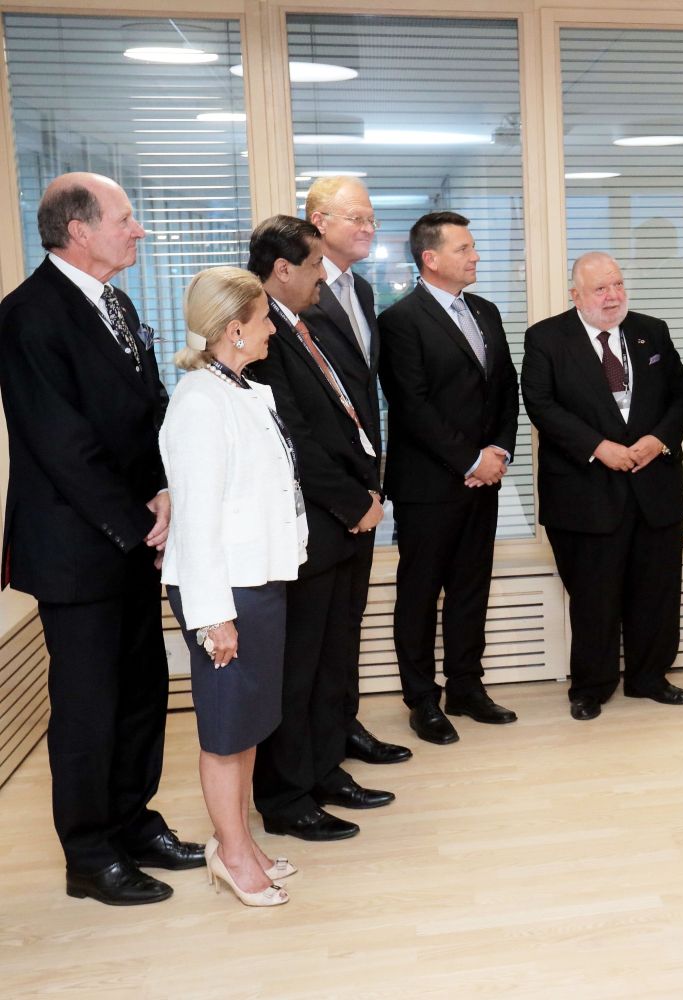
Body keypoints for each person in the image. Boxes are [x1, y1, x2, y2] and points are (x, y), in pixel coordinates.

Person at [0, 172, 204, 906]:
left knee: (142, 692)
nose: (138, 230)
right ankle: (88, 854)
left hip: (135, 535)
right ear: (79, 230)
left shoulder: (116, 302)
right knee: (89, 707)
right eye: (125, 218)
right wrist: (139, 521)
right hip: (78, 548)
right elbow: (63, 446)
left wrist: (165, 489)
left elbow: (147, 411)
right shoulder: (27, 316)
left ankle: (132, 822)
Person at [159, 266, 308, 907]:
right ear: (234, 329)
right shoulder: (199, 401)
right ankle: (230, 853)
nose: (274, 327)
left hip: (258, 580)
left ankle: (239, 841)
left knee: (248, 724)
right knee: (225, 729)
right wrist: (213, 615)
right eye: (264, 318)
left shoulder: (242, 389)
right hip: (224, 591)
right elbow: (195, 521)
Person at [246, 216, 389, 843]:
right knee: (299, 667)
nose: (321, 280)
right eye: (312, 268)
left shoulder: (303, 323)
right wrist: (351, 501)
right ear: (282, 269)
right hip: (313, 522)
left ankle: (325, 769)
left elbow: (343, 413)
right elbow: (293, 439)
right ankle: (286, 797)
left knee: (334, 657)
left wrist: (367, 490)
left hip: (347, 516)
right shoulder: (261, 332)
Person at [521, 252, 683, 720]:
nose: (613, 296)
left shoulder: (652, 331)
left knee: (656, 591)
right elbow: (541, 405)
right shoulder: (546, 338)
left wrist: (658, 440)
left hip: (653, 485)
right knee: (593, 596)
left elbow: (682, 396)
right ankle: (591, 686)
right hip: (584, 491)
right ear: (576, 295)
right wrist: (599, 447)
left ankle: (649, 677)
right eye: (600, 289)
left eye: (617, 284)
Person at [379, 211, 520, 745]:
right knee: (420, 594)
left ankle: (466, 686)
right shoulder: (400, 320)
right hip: (429, 486)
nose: (475, 256)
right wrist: (469, 460)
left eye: (473, 246)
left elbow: (506, 387)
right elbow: (411, 406)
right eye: (464, 248)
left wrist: (498, 451)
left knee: (470, 588)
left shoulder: (485, 311)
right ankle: (422, 700)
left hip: (485, 478)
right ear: (430, 259)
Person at [303, 175, 411, 767]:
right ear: (318, 221)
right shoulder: (297, 293)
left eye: (372, 218)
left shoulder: (362, 290)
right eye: (357, 218)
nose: (370, 228)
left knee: (349, 618)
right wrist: (346, 490)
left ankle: (344, 726)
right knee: (319, 629)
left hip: (364, 479)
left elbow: (365, 392)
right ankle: (321, 746)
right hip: (324, 490)